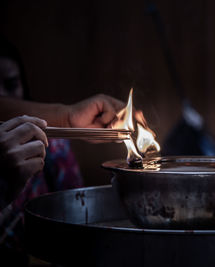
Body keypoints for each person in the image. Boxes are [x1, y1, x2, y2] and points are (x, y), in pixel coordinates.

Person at [0, 37, 125, 265]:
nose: (4, 96)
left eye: (10, 84)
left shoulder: (54, 147)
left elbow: (79, 214)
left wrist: (67, 118)